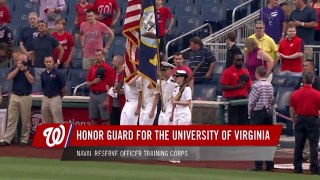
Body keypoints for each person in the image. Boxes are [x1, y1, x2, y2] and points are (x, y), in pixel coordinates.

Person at [0, 54, 35, 146]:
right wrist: (17, 68)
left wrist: (25, 71)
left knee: (25, 120)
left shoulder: (31, 69)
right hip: (15, 95)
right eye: (20, 61)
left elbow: (32, 81)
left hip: (25, 96)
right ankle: (7, 139)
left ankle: (24, 139)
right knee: (12, 119)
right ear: (17, 61)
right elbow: (9, 77)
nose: (22, 63)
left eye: (24, 61)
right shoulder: (14, 68)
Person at [290, 72, 320, 175]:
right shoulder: (317, 94)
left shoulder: (296, 93)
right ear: (313, 80)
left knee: (298, 145)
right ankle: (315, 168)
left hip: (300, 119)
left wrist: (294, 120)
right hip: (313, 120)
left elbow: (292, 109)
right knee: (313, 146)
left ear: (303, 80)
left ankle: (297, 167)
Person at [248, 66, 274, 171]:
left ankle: (258, 165)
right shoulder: (270, 85)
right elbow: (272, 98)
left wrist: (249, 113)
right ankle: (269, 165)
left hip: (258, 113)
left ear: (257, 74)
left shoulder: (256, 86)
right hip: (268, 113)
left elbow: (251, 101)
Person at [220, 52, 252, 125]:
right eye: (238, 60)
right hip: (232, 100)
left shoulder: (245, 71)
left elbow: (249, 87)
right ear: (233, 61)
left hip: (243, 100)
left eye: (241, 60)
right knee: (233, 122)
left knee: (243, 122)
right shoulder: (227, 72)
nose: (240, 61)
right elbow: (222, 87)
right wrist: (238, 86)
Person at [86, 49, 116, 125]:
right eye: (96, 55)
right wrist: (93, 82)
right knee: (94, 119)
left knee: (106, 119)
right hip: (93, 95)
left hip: (103, 95)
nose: (98, 57)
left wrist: (107, 99)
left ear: (102, 56)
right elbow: (88, 83)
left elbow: (111, 86)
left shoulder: (108, 68)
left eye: (99, 55)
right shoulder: (92, 68)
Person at [40, 56, 67, 124]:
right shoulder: (43, 74)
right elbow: (43, 87)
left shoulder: (59, 73)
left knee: (58, 121)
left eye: (50, 62)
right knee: (45, 121)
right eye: (47, 62)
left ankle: (60, 134)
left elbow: (64, 88)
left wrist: (59, 97)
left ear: (53, 62)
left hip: (55, 98)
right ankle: (47, 134)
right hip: (45, 98)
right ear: (44, 63)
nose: (48, 63)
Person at [107, 55, 125, 125]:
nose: (112, 63)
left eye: (114, 61)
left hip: (122, 104)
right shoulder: (112, 72)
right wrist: (110, 91)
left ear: (119, 62)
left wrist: (119, 92)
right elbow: (108, 84)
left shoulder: (125, 73)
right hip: (113, 104)